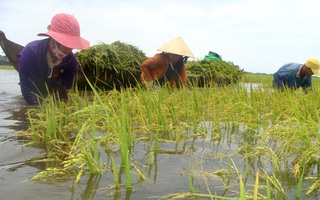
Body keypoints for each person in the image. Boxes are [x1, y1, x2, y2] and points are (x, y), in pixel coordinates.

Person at [18, 13, 90, 105]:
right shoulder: (31, 52)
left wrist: (61, 107)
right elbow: (29, 92)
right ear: (53, 39)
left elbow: (64, 92)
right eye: (67, 43)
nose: (71, 48)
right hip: (34, 81)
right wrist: (39, 110)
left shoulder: (72, 63)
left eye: (72, 45)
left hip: (53, 85)